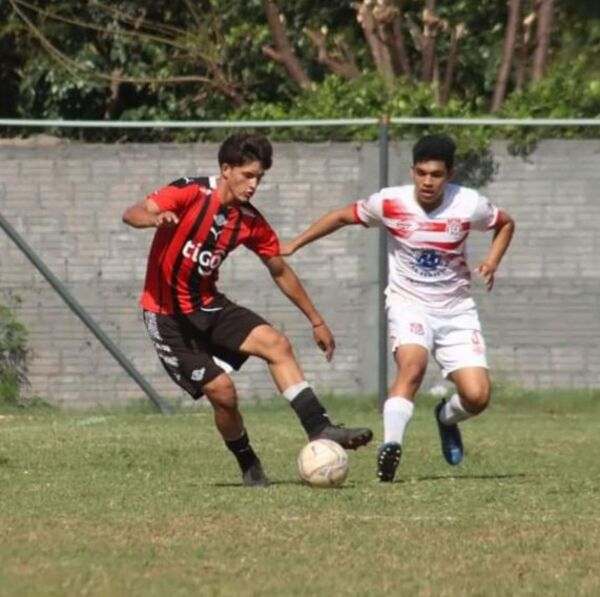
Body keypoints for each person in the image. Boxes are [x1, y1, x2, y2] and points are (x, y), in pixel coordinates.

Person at [122, 133, 373, 487]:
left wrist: (316, 320)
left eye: (260, 178)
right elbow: (133, 212)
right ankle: (249, 463)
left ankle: (320, 428)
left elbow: (280, 269)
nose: (254, 185)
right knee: (223, 394)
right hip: (167, 318)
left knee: (277, 344)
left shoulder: (249, 221)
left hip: (208, 305)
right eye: (248, 175)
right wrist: (155, 219)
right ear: (226, 170)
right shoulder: (190, 193)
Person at [280, 134, 515, 482]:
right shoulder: (391, 202)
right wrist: (296, 243)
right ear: (412, 171)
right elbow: (343, 216)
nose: (427, 181)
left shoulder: (469, 204)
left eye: (435, 174)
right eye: (421, 173)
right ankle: (390, 448)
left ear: (449, 174)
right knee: (412, 366)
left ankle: (445, 418)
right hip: (409, 304)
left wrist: (493, 261)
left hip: (456, 310)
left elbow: (505, 223)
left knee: (478, 396)